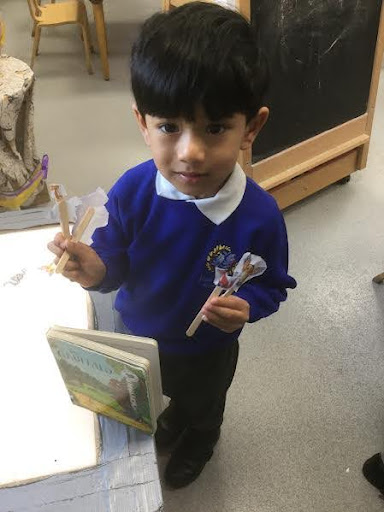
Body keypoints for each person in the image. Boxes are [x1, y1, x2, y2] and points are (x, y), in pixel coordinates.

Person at [48, 1, 296, 489]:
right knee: (155, 394)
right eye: (169, 127)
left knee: (202, 403)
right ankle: (175, 418)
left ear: (252, 128)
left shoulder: (261, 216)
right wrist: (94, 269)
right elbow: (113, 262)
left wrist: (248, 306)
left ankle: (201, 437)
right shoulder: (132, 191)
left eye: (216, 128)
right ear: (143, 123)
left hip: (207, 349)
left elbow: (273, 285)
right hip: (138, 334)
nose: (191, 152)